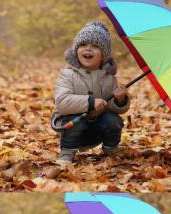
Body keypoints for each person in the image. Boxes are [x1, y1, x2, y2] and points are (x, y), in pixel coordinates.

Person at [50, 21, 130, 165]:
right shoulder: (68, 74)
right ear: (76, 50)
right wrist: (91, 102)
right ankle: (67, 153)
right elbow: (62, 102)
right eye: (83, 45)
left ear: (104, 55)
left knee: (113, 120)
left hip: (96, 129)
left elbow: (114, 108)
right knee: (75, 121)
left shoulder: (109, 78)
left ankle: (110, 149)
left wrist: (120, 100)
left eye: (95, 46)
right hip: (71, 126)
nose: (88, 49)